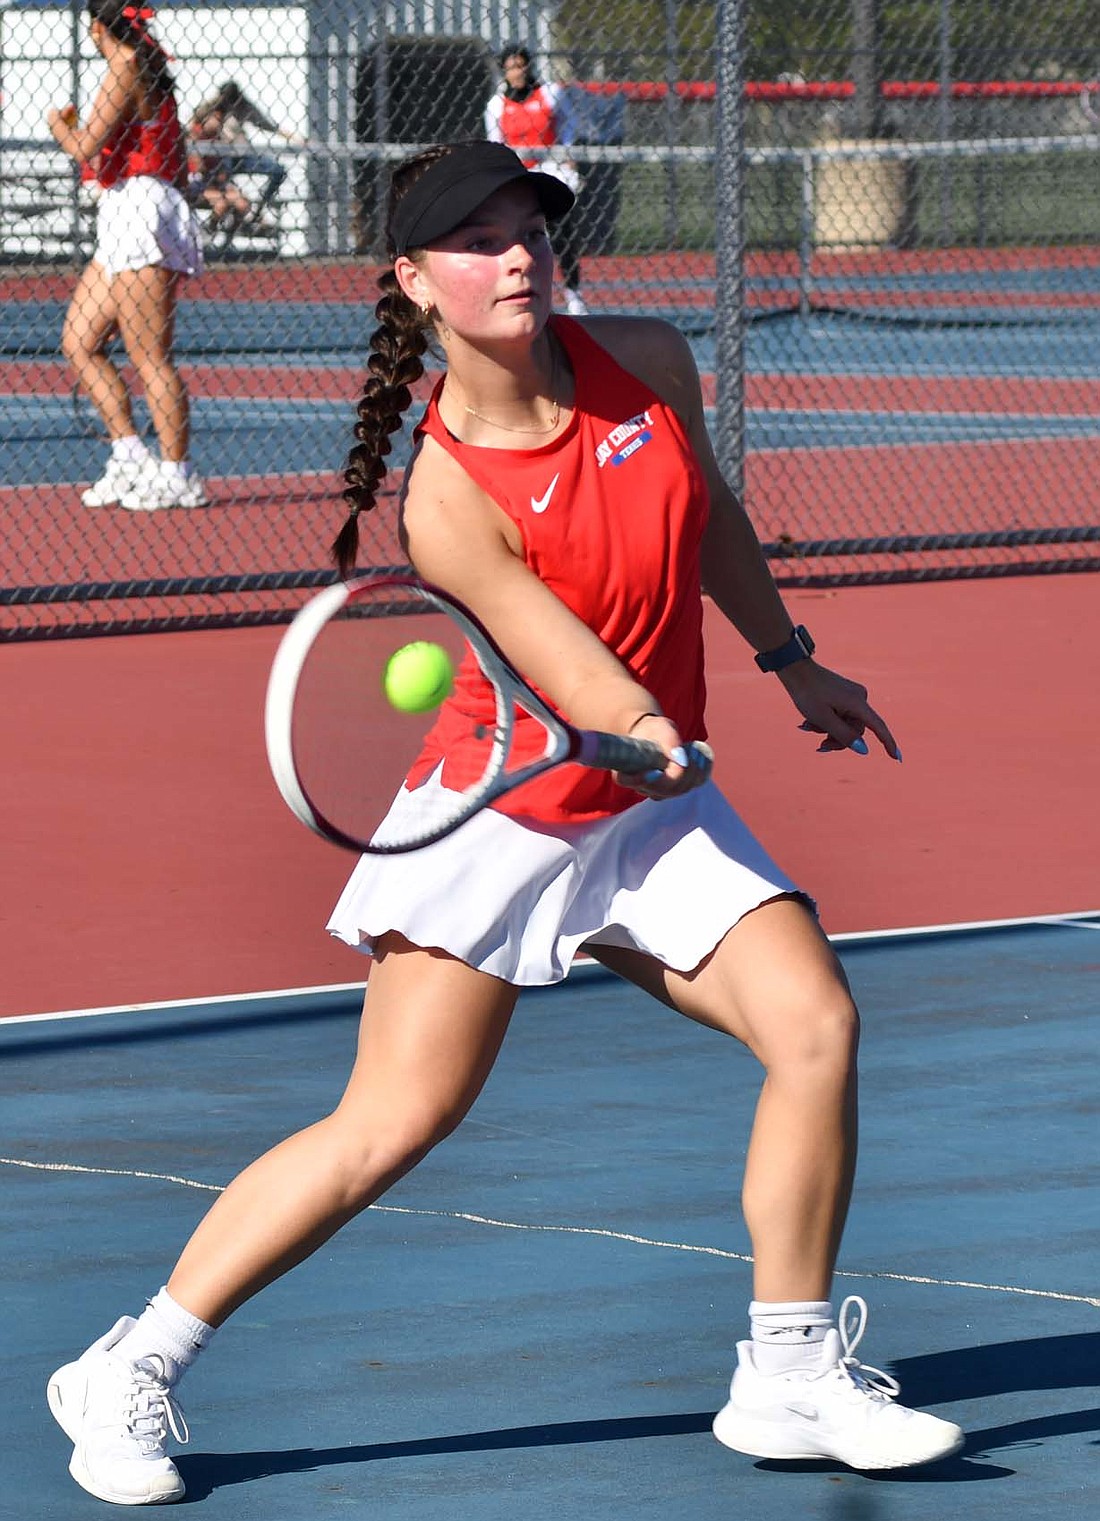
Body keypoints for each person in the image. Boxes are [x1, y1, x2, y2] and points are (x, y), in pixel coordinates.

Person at [46, 140, 964, 1507]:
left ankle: (784, 1375)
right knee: (391, 1122)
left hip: (650, 814)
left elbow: (710, 519)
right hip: (508, 814)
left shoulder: (646, 360)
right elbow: (569, 664)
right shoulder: (444, 496)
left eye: (529, 225)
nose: (517, 252)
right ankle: (131, 1361)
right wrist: (644, 727)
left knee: (816, 1024)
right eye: (475, 240)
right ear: (415, 282)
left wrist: (790, 658)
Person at [47, 0, 207, 512]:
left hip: (139, 204)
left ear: (98, 28)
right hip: (125, 206)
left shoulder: (124, 66)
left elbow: (84, 145)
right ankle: (130, 455)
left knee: (149, 356)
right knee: (80, 341)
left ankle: (177, 473)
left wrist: (58, 127)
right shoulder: (143, 65)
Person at [485, 45, 588, 315]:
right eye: (512, 67)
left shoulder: (549, 93)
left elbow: (569, 125)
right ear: (504, 71)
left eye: (522, 65)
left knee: (563, 231)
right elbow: (496, 142)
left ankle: (573, 293)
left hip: (550, 167)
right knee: (519, 233)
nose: (518, 72)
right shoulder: (497, 104)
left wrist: (566, 155)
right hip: (519, 173)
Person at [187, 81, 296, 235]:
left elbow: (269, 125)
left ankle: (256, 214)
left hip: (240, 153)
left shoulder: (243, 106)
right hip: (222, 157)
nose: (218, 121)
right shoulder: (208, 115)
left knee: (276, 171)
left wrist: (294, 137)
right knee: (223, 197)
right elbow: (194, 125)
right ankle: (213, 230)